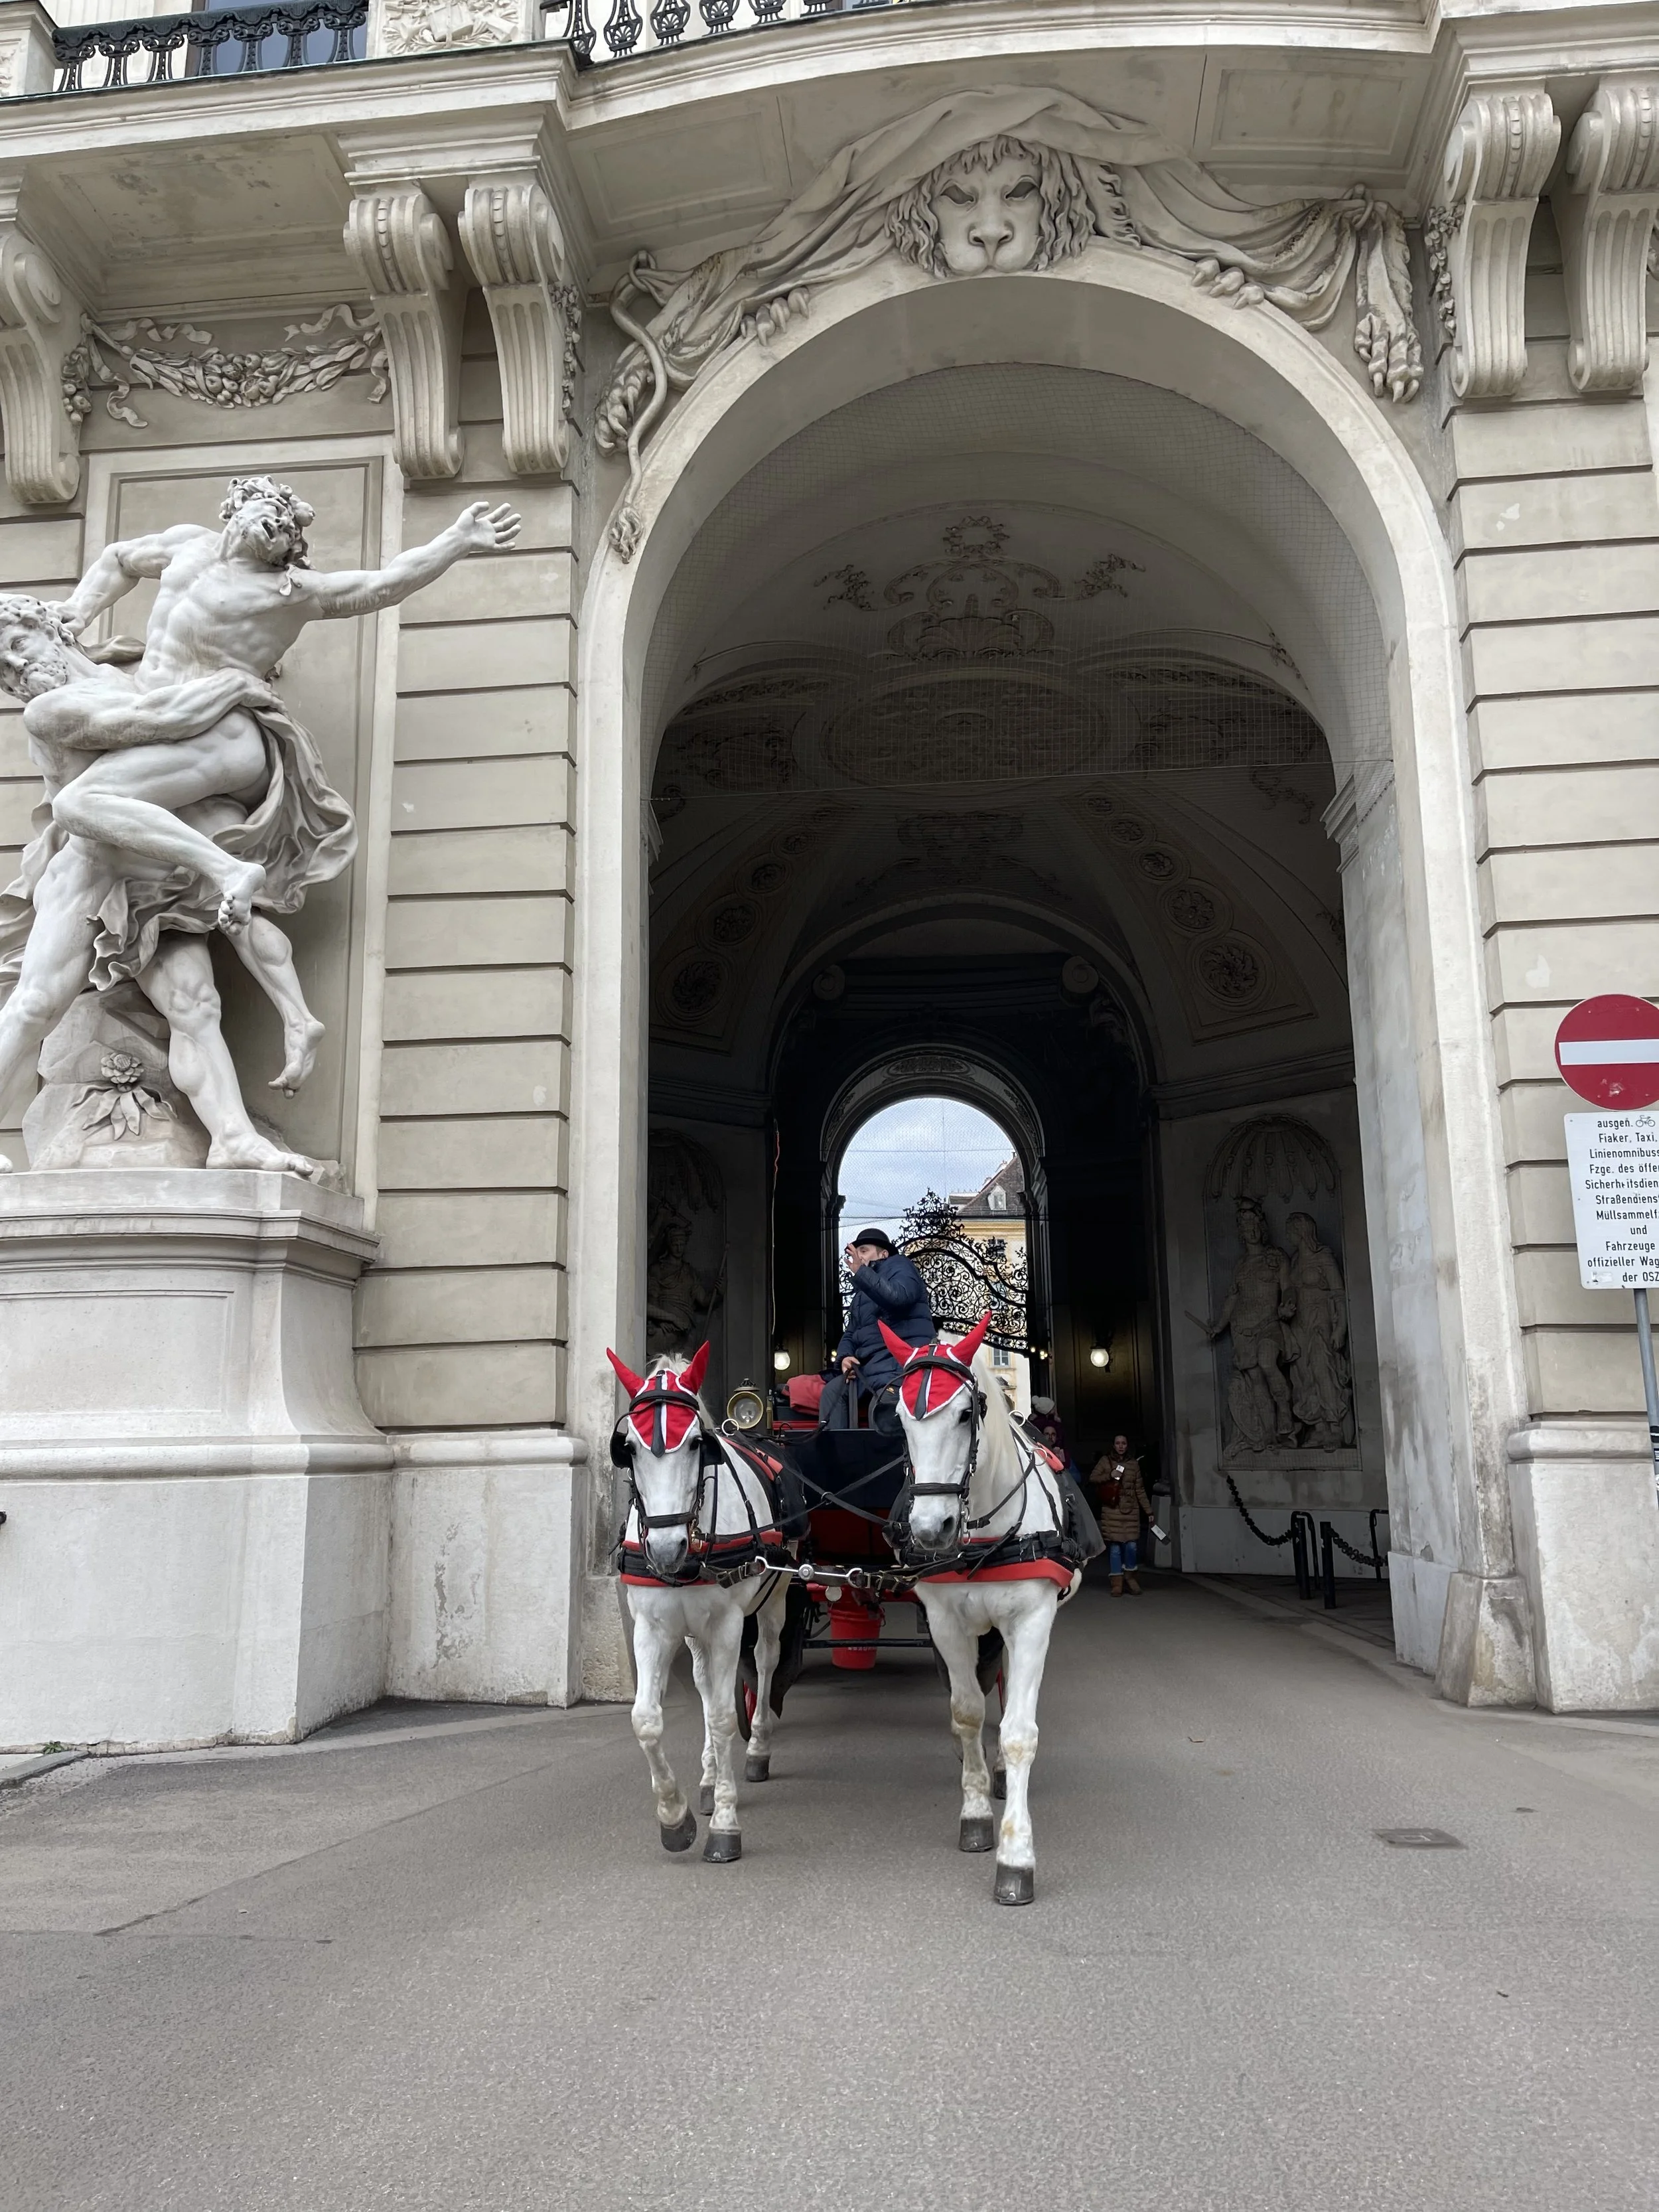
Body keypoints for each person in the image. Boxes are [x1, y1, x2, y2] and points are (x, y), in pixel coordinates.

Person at [831, 1227, 934, 1424]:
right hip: (869, 1368)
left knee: (882, 1407)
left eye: (864, 1251)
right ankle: (835, 1453)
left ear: (883, 1254)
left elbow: (898, 1297)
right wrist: (845, 1356)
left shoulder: (900, 1265)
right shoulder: (862, 1295)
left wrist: (861, 1272)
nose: (859, 1257)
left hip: (899, 1364)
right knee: (832, 1393)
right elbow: (851, 1332)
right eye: (857, 1252)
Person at [1090, 1433, 1152, 1594]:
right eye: (1118, 1443)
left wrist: (1149, 1511)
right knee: (1116, 1548)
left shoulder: (1133, 1464)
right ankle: (1117, 1581)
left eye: (1124, 1443)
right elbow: (1093, 1478)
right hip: (1112, 1509)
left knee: (1131, 1546)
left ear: (1127, 1445)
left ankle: (1130, 1577)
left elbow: (1140, 1489)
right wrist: (1110, 1475)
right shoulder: (1105, 1461)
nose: (1121, 1446)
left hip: (1131, 1510)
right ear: (1113, 1445)